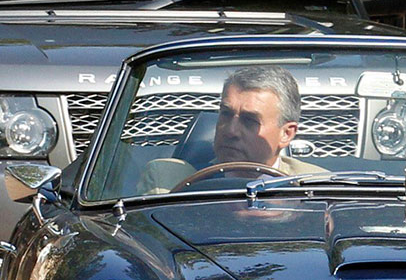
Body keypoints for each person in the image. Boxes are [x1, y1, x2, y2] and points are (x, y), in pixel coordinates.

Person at [137, 66, 321, 194]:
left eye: (250, 121)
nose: (231, 131)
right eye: (226, 114)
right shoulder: (168, 183)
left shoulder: (316, 188)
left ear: (286, 134)